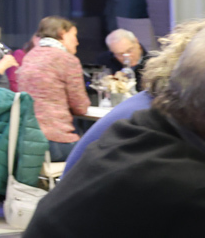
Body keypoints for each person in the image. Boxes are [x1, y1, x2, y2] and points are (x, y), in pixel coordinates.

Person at [23, 27, 205, 237]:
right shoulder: (188, 187)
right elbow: (80, 105)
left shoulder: (132, 129)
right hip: (56, 140)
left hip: (37, 141)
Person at [63, 18, 205, 174]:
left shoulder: (150, 104)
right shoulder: (156, 119)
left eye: (129, 51)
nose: (126, 57)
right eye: (119, 54)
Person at [15, 16, 90, 161]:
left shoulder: (29, 56)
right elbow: (80, 107)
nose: (77, 41)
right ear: (62, 33)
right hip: (55, 142)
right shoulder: (67, 60)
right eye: (74, 36)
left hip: (28, 142)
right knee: (100, 153)